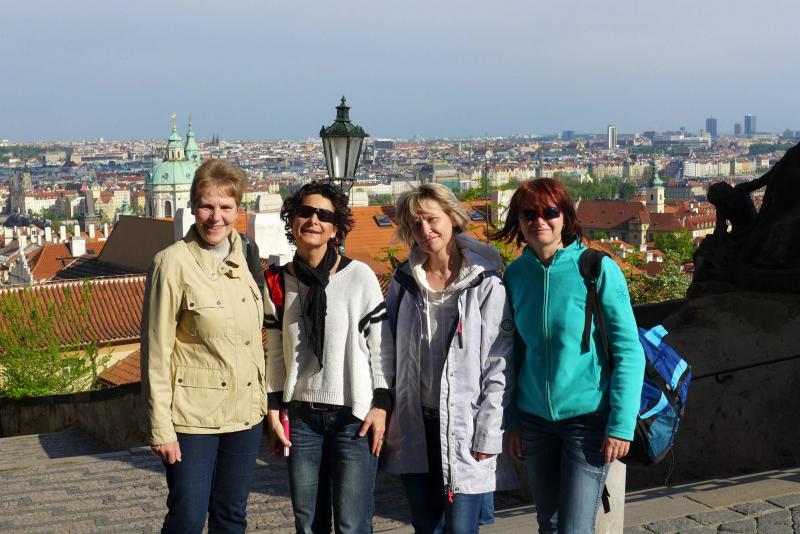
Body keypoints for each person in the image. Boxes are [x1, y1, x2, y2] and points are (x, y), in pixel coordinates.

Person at [493, 178, 644, 533]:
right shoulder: (515, 275)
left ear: (565, 216)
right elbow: (513, 353)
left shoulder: (596, 268)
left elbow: (628, 350)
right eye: (529, 214)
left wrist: (621, 425)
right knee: (548, 524)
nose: (539, 221)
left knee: (574, 527)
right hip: (534, 419)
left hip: (587, 418)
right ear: (518, 221)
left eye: (549, 212)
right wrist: (513, 420)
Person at [141, 159, 266, 533]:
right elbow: (156, 352)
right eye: (207, 206)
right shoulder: (171, 263)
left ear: (238, 210)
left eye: (225, 207)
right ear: (193, 207)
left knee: (232, 516)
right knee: (188, 518)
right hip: (192, 417)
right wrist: (161, 427)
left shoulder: (245, 254)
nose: (216, 217)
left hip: (244, 413)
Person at [381, 183, 514, 534]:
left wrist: (489, 431)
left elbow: (499, 364)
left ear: (453, 218)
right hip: (417, 423)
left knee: (461, 527)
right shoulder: (404, 281)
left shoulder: (485, 282)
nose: (425, 230)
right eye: (415, 224)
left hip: (464, 424)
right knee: (425, 526)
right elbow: (386, 347)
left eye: (431, 219)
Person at [264, 181, 394, 534]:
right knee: (308, 524)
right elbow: (274, 352)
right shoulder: (279, 282)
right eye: (305, 212)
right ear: (292, 220)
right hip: (302, 418)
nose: (314, 221)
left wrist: (381, 405)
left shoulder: (358, 276)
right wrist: (274, 407)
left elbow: (381, 347)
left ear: (335, 229)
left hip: (354, 417)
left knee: (352, 525)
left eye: (324, 215)